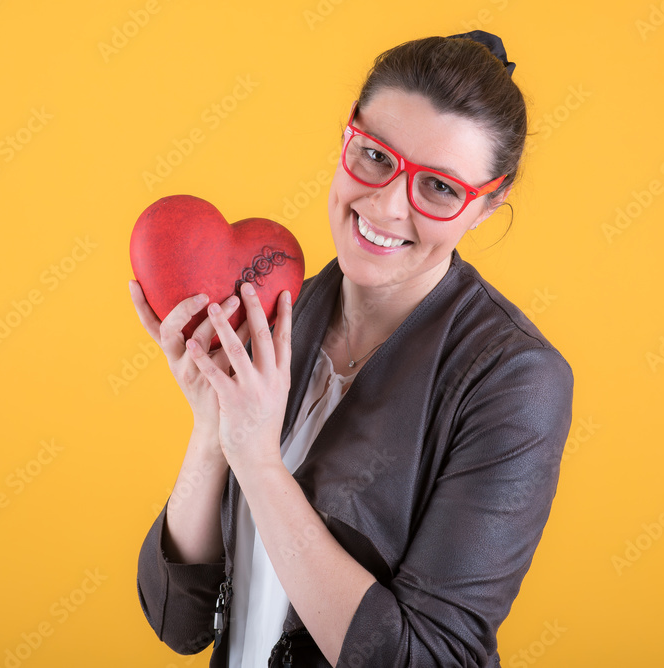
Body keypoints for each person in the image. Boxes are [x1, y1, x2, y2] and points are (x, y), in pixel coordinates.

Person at [131, 31, 574, 668]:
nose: (387, 205)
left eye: (440, 188)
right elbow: (178, 621)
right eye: (374, 155)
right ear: (348, 137)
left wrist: (257, 460)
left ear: (488, 205)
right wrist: (212, 428)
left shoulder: (513, 380)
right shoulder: (280, 311)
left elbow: (428, 658)